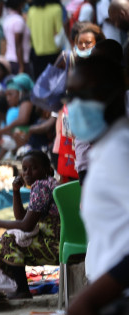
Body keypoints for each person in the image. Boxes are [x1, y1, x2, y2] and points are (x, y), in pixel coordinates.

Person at [66, 54, 129, 282]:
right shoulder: (104, 149)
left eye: (84, 95)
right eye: (71, 96)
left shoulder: (119, 151)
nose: (75, 105)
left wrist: (103, 291)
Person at [0, 150, 60, 298]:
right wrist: (16, 191)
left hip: (56, 244)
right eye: (24, 169)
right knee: (12, 236)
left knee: (9, 240)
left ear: (47, 170)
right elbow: (22, 217)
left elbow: (26, 226)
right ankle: (20, 288)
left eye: (34, 168)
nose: (27, 173)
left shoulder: (41, 187)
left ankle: (22, 290)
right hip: (58, 239)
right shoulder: (48, 183)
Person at [27, 0, 65, 79]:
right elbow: (59, 31)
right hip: (53, 53)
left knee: (40, 83)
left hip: (37, 53)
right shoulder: (56, 9)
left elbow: (29, 31)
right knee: (54, 82)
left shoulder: (31, 10)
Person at [3, 0, 30, 75]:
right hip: (19, 61)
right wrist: (21, 66)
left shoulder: (7, 19)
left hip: (10, 58)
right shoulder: (18, 21)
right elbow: (18, 44)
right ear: (20, 4)